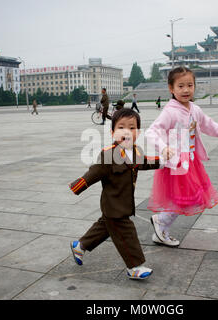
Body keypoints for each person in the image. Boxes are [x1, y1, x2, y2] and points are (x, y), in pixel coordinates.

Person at [145, 67, 218, 247]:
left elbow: (210, 126)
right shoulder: (170, 111)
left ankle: (161, 225)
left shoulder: (195, 109)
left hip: (191, 161)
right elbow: (151, 132)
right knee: (185, 198)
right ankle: (161, 222)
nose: (185, 90)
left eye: (189, 85)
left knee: (190, 197)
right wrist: (164, 147)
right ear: (171, 88)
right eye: (180, 86)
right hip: (176, 163)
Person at [69, 109, 163, 280]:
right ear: (112, 132)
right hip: (114, 206)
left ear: (138, 132)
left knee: (104, 228)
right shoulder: (108, 154)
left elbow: (145, 162)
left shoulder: (136, 151)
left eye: (132, 128)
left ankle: (80, 245)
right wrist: (77, 186)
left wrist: (163, 162)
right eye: (121, 127)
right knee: (126, 234)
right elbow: (94, 173)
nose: (127, 131)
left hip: (123, 203)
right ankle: (134, 267)